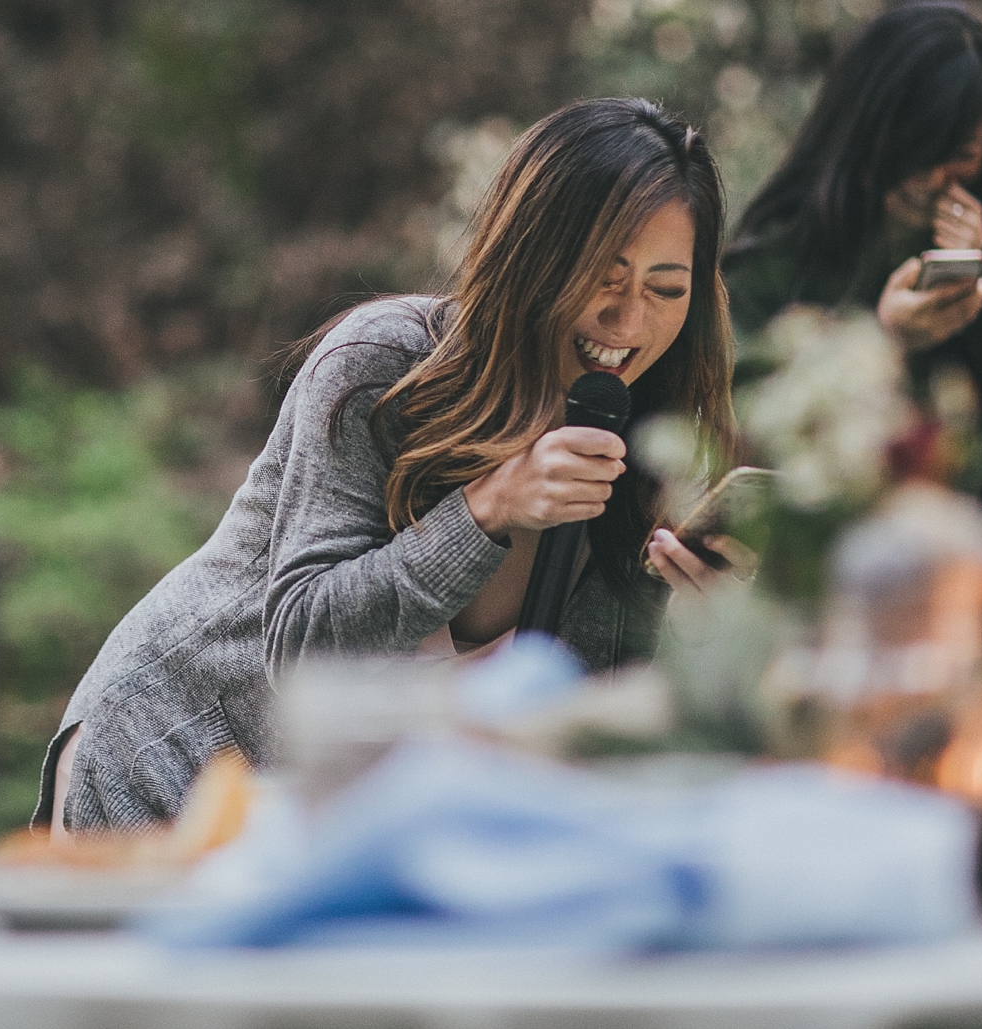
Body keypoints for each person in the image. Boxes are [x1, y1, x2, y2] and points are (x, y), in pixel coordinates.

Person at [39, 98, 739, 833]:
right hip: (176, 765)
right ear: (535, 256)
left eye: (666, 289)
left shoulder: (650, 442)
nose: (627, 321)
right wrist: (485, 510)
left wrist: (709, 622)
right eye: (603, 275)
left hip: (357, 822)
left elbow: (592, 729)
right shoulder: (386, 366)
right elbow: (306, 650)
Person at [724, 0, 982, 557]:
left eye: (957, 156)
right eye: (912, 152)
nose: (930, 178)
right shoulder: (780, 250)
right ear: (864, 133)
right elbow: (730, 428)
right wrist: (880, 343)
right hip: (818, 590)